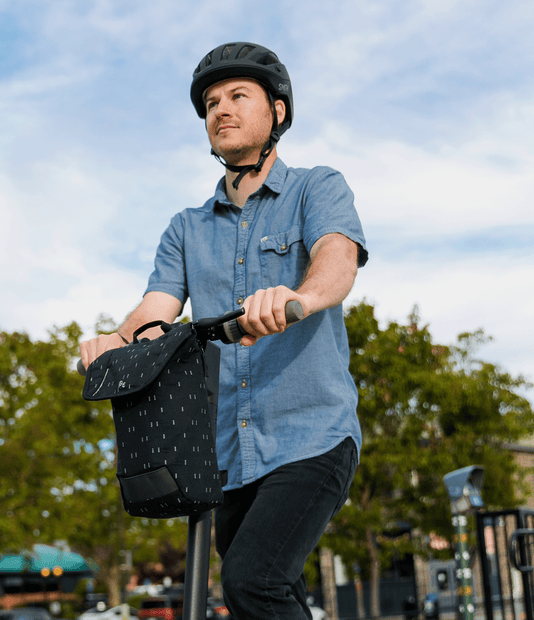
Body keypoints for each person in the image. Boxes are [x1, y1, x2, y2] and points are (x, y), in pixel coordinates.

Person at [80, 42, 368, 620]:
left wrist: (299, 296)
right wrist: (113, 340)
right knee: (266, 594)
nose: (221, 109)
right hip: (225, 456)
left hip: (310, 436)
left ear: (277, 113)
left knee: (252, 581)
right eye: (212, 102)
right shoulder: (185, 229)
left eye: (239, 95)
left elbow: (336, 259)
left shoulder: (317, 187)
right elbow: (155, 311)